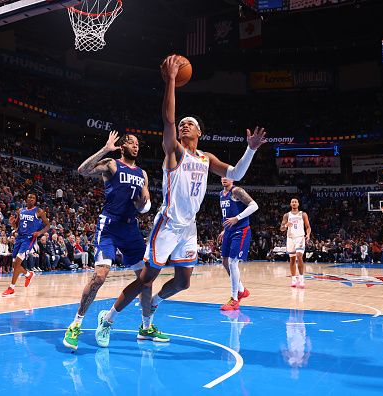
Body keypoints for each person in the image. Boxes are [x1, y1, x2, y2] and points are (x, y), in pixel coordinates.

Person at [93, 55, 267, 348]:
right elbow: (169, 119)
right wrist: (172, 79)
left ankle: (155, 305)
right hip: (169, 223)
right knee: (146, 278)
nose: (185, 125)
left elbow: (235, 172)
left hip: (189, 227)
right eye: (183, 123)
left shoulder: (206, 158)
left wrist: (250, 150)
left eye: (191, 124)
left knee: (184, 281)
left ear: (200, 133)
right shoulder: (174, 151)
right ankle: (108, 319)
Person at [63, 131, 156, 351]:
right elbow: (82, 170)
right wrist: (105, 148)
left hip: (131, 228)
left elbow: (146, 205)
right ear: (122, 146)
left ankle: (145, 326)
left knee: (146, 279)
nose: (136, 146)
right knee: (99, 277)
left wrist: (144, 204)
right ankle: (75, 324)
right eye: (131, 143)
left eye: (137, 144)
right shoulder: (112, 164)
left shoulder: (143, 173)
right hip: (110, 227)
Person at [217, 177, 259, 311]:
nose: (224, 178)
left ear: (233, 179)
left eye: (227, 176)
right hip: (229, 230)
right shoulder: (221, 194)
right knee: (224, 261)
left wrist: (237, 218)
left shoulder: (237, 191)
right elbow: (228, 214)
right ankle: (241, 290)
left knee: (232, 262)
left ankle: (234, 299)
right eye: (222, 175)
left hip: (241, 230)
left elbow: (254, 206)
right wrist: (225, 229)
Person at [1, 192, 50, 296]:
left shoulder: (39, 211)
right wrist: (12, 223)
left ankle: (11, 288)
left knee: (18, 263)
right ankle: (28, 274)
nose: (31, 199)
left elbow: (48, 225)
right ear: (26, 199)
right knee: (14, 264)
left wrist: (40, 233)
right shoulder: (21, 211)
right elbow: (17, 227)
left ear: (35, 200)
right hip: (19, 238)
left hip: (29, 239)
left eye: (33, 197)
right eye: (29, 197)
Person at [280, 198, 311, 288]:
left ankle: (301, 279)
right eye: (292, 202)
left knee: (299, 256)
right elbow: (281, 228)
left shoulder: (303, 214)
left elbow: (308, 227)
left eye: (295, 202)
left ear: (298, 204)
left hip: (300, 237)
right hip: (290, 238)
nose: (294, 203)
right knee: (292, 259)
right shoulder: (286, 215)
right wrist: (286, 225)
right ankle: (294, 279)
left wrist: (308, 235)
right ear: (290, 204)